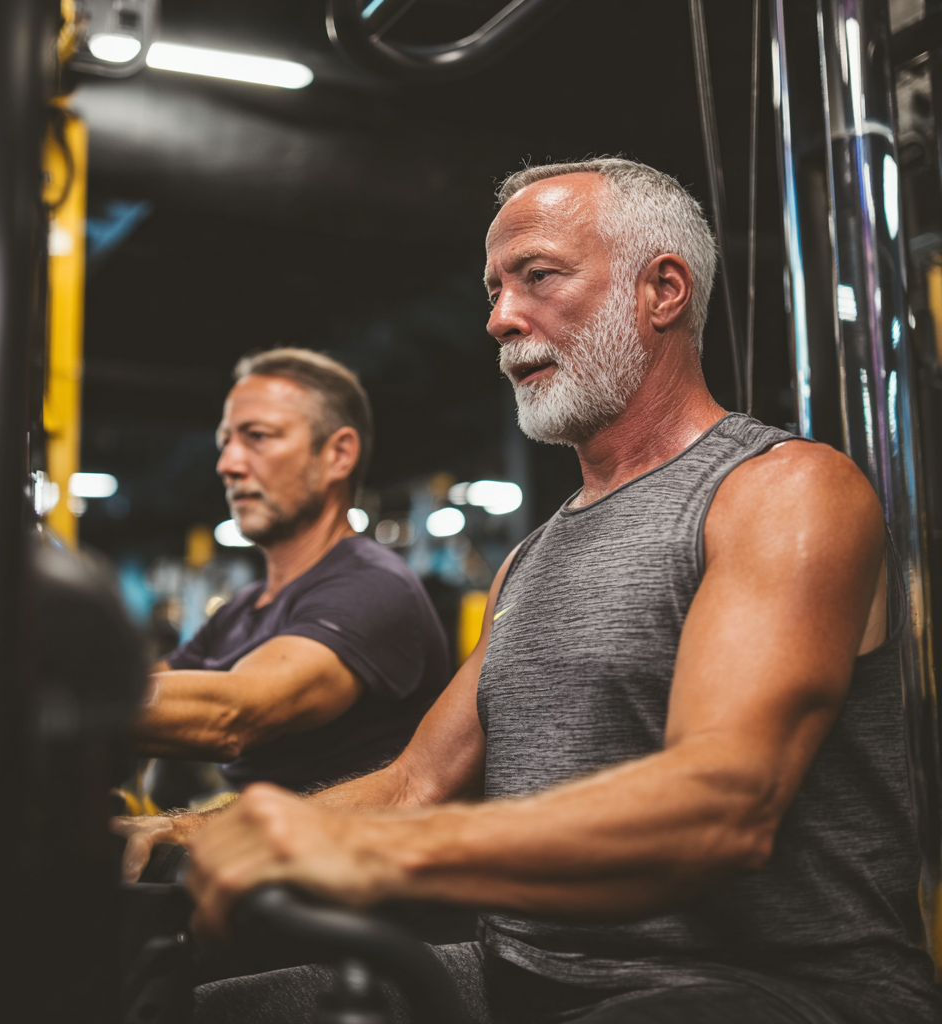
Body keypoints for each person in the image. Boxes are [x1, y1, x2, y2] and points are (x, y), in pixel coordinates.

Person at [178, 159, 942, 1024]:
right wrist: (194, 834)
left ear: (662, 291)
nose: (500, 318)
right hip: (525, 976)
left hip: (765, 990)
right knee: (181, 1007)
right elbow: (412, 785)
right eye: (494, 290)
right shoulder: (532, 558)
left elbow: (721, 807)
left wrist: (376, 851)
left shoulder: (784, 492)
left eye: (537, 276)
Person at [113, 348, 449, 882]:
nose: (228, 464)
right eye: (225, 442)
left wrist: (37, 694)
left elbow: (233, 714)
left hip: (343, 886)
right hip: (259, 864)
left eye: (258, 437)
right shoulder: (242, 610)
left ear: (338, 454)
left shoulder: (372, 585)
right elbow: (153, 691)